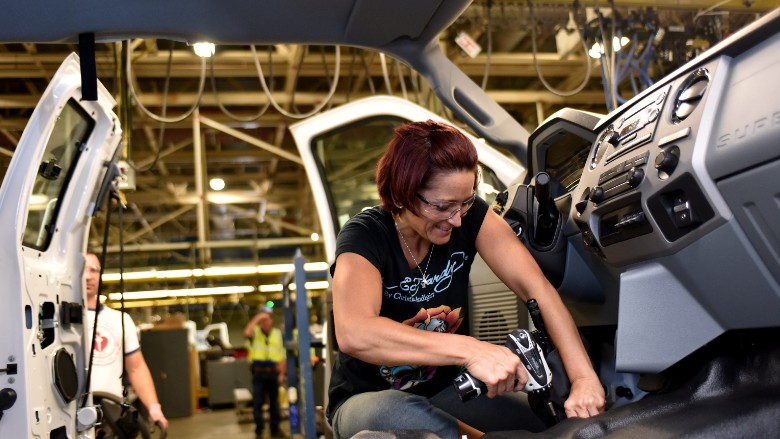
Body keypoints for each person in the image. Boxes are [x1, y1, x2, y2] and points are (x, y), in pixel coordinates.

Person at [326, 120, 605, 438]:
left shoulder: (469, 217)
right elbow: (354, 332)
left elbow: (537, 288)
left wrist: (583, 378)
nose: (457, 219)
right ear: (402, 194)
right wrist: (471, 351)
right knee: (404, 417)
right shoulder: (365, 235)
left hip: (449, 389)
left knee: (542, 427)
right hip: (367, 398)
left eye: (466, 202)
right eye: (443, 206)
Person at [83, 252, 168, 431]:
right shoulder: (58, 320)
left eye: (94, 270)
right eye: (82, 269)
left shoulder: (119, 320)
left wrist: (154, 408)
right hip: (70, 415)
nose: (88, 275)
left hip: (110, 417)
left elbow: (136, 367)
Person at [244, 306, 286, 439]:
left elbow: (282, 355)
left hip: (273, 373)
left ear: (271, 321)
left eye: (267, 319)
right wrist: (257, 318)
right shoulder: (255, 332)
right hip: (259, 373)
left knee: (274, 402)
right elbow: (247, 332)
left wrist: (281, 374)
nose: (265, 322)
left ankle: (275, 428)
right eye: (262, 320)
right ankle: (259, 429)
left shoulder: (277, 334)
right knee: (258, 402)